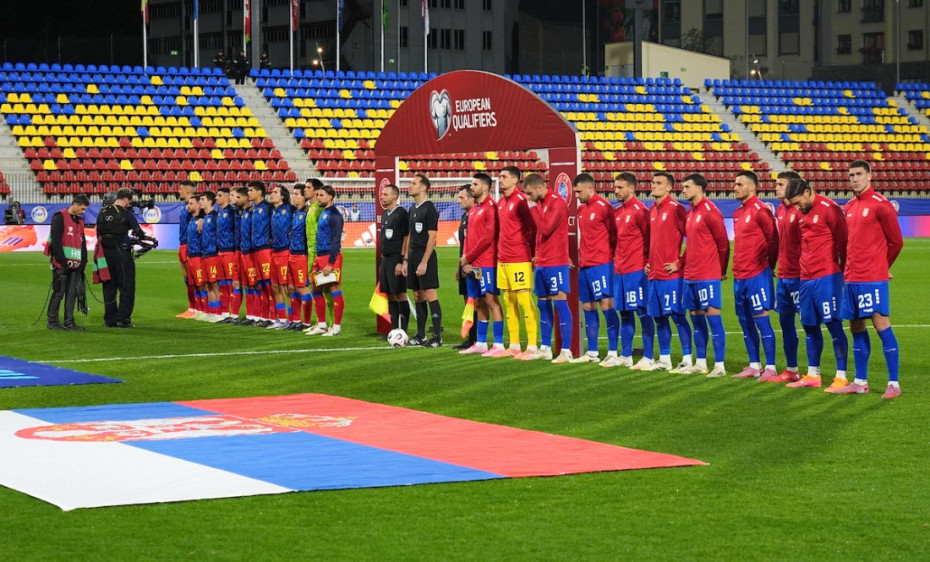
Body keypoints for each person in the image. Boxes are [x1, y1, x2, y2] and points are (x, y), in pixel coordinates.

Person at [838, 160, 904, 399]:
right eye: (851, 175)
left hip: (872, 278)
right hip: (852, 278)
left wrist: (882, 267)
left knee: (880, 325)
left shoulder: (881, 205)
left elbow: (896, 241)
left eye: (858, 174)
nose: (854, 178)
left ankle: (893, 383)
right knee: (856, 326)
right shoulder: (849, 206)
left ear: (869, 176)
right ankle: (860, 381)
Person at [784, 178, 850, 391]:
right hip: (806, 279)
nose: (796, 207)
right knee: (809, 325)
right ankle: (813, 374)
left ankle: (841, 376)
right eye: (792, 204)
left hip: (827, 276)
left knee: (833, 324)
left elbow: (844, 242)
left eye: (798, 202)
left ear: (807, 191)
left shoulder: (830, 209)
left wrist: (842, 272)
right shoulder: (799, 214)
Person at [676, 173, 729, 377]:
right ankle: (701, 363)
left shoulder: (710, 211)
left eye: (687, 186)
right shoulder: (691, 213)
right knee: (696, 320)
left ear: (699, 188)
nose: (683, 190)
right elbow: (690, 245)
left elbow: (723, 244)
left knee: (713, 320)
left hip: (707, 275)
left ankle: (720, 366)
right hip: (690, 276)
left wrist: (721, 271)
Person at [732, 171, 779, 380]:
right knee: (744, 320)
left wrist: (768, 266)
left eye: (739, 184)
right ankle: (754, 364)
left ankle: (771, 367)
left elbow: (774, 240)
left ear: (752, 187)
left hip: (757, 274)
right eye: (735, 184)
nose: (735, 187)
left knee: (761, 320)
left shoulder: (761, 211)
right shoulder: (737, 213)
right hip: (739, 276)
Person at [524, 173, 574, 363]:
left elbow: (545, 229)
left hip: (555, 262)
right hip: (542, 262)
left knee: (560, 304)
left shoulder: (557, 203)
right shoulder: (540, 203)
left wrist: (532, 209)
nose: (529, 197)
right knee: (543, 304)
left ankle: (566, 351)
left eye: (530, 193)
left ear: (539, 187)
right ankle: (545, 348)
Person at [644, 172, 691, 371]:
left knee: (677, 316)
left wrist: (679, 263)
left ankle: (687, 359)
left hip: (671, 276)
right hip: (654, 274)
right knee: (659, 317)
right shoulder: (651, 210)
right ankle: (665, 359)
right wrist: (648, 262)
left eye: (658, 183)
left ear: (669, 188)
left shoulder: (677, 209)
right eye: (653, 182)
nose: (653, 186)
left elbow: (693, 238)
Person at [571, 173, 620, 364]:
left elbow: (614, 235)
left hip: (602, 264)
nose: (576, 195)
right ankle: (592, 353)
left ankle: (613, 353)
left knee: (607, 305)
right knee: (588, 306)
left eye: (579, 191)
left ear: (591, 188)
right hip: (585, 266)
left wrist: (611, 257)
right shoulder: (581, 209)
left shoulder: (604, 207)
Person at [494, 166, 539, 359]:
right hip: (503, 259)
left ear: (515, 180)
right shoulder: (501, 203)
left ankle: (532, 346)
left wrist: (534, 255)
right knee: (508, 301)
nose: (500, 179)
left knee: (524, 301)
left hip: (520, 258)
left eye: (504, 177)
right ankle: (514, 345)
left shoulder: (521, 202)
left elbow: (534, 229)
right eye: (500, 176)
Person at [609, 173, 654, 369]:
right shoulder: (616, 212)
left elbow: (650, 239)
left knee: (642, 312)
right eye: (615, 187)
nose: (616, 191)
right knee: (624, 313)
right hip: (619, 270)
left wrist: (647, 262)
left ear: (632, 188)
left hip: (636, 271)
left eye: (620, 187)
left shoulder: (640, 211)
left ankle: (649, 356)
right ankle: (626, 355)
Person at [459, 174, 506, 356]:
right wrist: (466, 259)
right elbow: (469, 237)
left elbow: (488, 237)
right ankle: (480, 342)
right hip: (473, 263)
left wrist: (469, 256)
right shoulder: (474, 210)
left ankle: (499, 344)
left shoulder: (491, 208)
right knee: (478, 302)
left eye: (475, 183)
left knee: (491, 300)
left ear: (485, 188)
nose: (472, 186)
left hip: (487, 262)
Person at [97, 187, 146, 328]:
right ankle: (123, 319)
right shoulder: (126, 214)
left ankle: (110, 319)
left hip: (105, 252)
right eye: (129, 201)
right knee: (126, 286)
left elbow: (98, 232)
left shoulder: (102, 212)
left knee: (108, 286)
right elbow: (139, 233)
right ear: (126, 199)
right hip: (121, 252)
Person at [770, 171, 803, 382]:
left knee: (809, 323)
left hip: (801, 276)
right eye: (776, 184)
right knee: (785, 323)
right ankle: (792, 369)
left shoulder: (801, 210)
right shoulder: (781, 210)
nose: (776, 187)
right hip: (783, 276)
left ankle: (815, 371)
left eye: (781, 184)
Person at [402, 173, 443, 347]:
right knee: (417, 295)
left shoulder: (430, 209)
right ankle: (421, 335)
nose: (410, 186)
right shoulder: (412, 209)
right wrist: (405, 260)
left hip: (425, 256)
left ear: (423, 187)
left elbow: (432, 238)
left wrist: (424, 261)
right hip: (412, 257)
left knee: (429, 293)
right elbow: (410, 236)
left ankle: (437, 338)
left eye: (413, 183)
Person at [46, 194, 89, 331]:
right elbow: (56, 242)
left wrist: (83, 261)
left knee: (72, 294)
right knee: (59, 292)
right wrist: (63, 261)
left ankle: (69, 322)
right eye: (82, 209)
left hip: (75, 265)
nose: (83, 212)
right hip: (61, 264)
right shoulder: (60, 217)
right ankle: (52, 321)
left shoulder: (80, 221)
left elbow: (82, 244)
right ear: (75, 204)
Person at [307, 185, 345, 336]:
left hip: (330, 257)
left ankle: (336, 327)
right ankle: (321, 324)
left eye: (321, 195)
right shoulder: (324, 213)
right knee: (315, 289)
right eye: (318, 195)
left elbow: (336, 241)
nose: (318, 198)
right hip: (320, 256)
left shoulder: (335, 215)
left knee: (334, 289)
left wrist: (330, 263)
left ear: (330, 197)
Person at [379, 183, 411, 335]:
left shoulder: (401, 213)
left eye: (385, 194)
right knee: (390, 294)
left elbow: (406, 237)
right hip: (385, 260)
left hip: (396, 259)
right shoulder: (385, 214)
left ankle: (403, 331)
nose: (382, 196)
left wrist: (402, 260)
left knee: (400, 293)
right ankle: (393, 330)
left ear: (394, 196)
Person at [453, 184, 478, 349]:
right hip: (464, 265)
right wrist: (459, 266)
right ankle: (471, 339)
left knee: (476, 301)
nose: (459, 200)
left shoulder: (475, 216)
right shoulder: (465, 216)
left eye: (462, 197)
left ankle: (476, 339)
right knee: (467, 301)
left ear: (471, 198)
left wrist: (470, 263)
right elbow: (463, 246)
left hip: (474, 266)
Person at [248, 180, 274, 327]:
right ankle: (264, 317)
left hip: (265, 249)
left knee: (269, 284)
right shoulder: (255, 208)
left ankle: (273, 316)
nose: (249, 193)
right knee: (261, 285)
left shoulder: (268, 207)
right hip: (256, 250)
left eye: (251, 190)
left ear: (259, 192)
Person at [287, 184, 312, 331]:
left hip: (301, 255)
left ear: (304, 196)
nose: (294, 197)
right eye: (293, 194)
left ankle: (306, 322)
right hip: (292, 253)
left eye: (297, 194)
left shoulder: (308, 212)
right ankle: (295, 320)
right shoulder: (295, 212)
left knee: (302, 288)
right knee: (291, 288)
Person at [268, 185, 294, 329]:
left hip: (285, 251)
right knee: (275, 286)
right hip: (274, 251)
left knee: (286, 288)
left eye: (275, 192)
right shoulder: (273, 211)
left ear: (282, 196)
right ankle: (282, 319)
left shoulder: (290, 210)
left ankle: (292, 319)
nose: (272, 194)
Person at [215, 187, 240, 323]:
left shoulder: (232, 212)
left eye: (219, 195)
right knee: (223, 285)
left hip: (230, 251)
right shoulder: (221, 212)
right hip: (221, 251)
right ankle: (225, 313)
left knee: (232, 284)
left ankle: (234, 314)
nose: (216, 198)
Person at [198, 191, 222, 322]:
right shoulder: (206, 217)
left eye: (202, 199)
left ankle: (219, 313)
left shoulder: (215, 217)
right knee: (208, 284)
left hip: (213, 254)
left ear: (209, 201)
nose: (200, 201)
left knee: (215, 284)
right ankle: (212, 312)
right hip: (205, 254)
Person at [176, 180, 198, 318]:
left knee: (194, 278)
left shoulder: (193, 206)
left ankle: (197, 307)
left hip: (190, 245)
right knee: (187, 278)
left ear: (188, 191)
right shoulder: (184, 206)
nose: (179, 191)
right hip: (183, 244)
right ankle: (192, 307)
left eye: (181, 189)